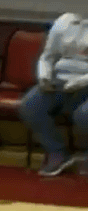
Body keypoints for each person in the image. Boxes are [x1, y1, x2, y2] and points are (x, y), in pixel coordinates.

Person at [21, 12, 88, 176]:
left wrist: (81, 82)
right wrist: (44, 76)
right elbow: (48, 56)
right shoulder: (64, 22)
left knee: (84, 115)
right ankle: (57, 152)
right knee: (30, 105)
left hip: (84, 83)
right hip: (59, 81)